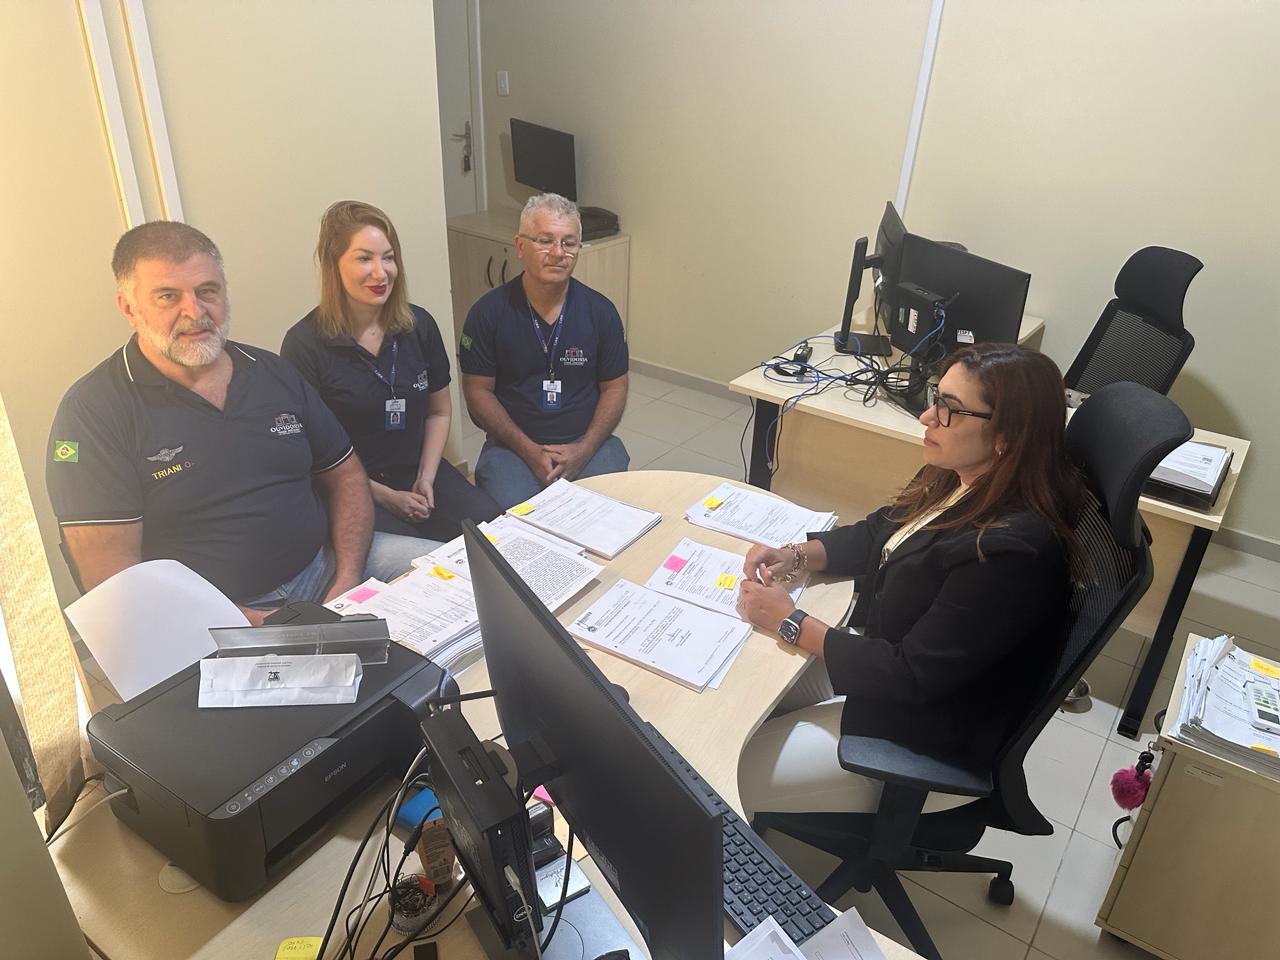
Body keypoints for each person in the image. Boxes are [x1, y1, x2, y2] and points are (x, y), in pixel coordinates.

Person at [736, 343, 1085, 816]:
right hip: (882, 670)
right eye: (934, 397)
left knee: (722, 774)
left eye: (949, 410)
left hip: (923, 728)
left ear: (1007, 436)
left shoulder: (1010, 550)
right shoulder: (962, 474)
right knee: (735, 689)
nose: (926, 417)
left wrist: (790, 620)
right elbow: (884, 530)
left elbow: (912, 674)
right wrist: (797, 554)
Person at [47, 221, 435, 625]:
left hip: (329, 566)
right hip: (213, 614)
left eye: (207, 291)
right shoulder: (92, 413)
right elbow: (113, 577)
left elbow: (347, 476)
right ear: (129, 307)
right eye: (167, 296)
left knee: (464, 579)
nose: (194, 313)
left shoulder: (271, 372)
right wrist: (252, 623)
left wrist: (349, 578)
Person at [282, 200, 500, 540]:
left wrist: (427, 477)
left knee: (492, 528)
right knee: (413, 562)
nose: (381, 273)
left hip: (416, 471)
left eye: (388, 257)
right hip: (350, 487)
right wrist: (388, 498)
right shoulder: (304, 344)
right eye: (364, 258)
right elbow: (313, 455)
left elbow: (438, 412)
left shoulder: (419, 325)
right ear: (333, 264)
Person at [459, 193, 630, 510]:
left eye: (569, 243)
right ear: (520, 246)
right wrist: (529, 450)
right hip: (512, 448)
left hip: (588, 445)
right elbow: (478, 394)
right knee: (518, 528)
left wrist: (584, 449)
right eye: (545, 241)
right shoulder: (487, 314)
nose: (558, 253)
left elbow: (615, 387)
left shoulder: (601, 312)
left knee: (597, 520)